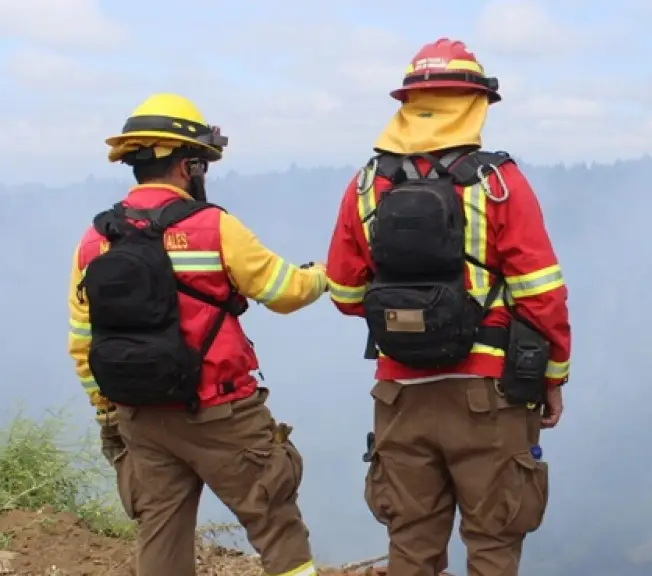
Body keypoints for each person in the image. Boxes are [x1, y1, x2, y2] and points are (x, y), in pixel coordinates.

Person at [324, 38, 572, 576]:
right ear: (475, 103)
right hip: (488, 395)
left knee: (410, 548)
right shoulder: (499, 184)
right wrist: (553, 377)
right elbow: (542, 294)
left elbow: (345, 295)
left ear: (408, 106)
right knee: (493, 544)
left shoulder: (366, 185)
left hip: (398, 397)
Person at [66, 93, 327, 576]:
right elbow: (285, 291)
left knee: (160, 535)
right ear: (188, 166)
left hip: (140, 416)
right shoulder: (213, 227)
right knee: (276, 525)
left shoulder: (95, 238)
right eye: (201, 162)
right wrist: (324, 275)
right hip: (221, 413)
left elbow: (82, 341)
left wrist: (108, 415)